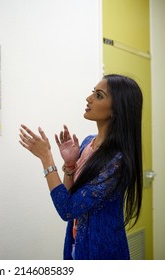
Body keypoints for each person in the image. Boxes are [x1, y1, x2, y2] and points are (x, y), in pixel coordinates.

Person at [19, 74, 143, 260]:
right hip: (76, 246)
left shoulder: (117, 162)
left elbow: (66, 209)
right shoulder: (87, 142)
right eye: (93, 92)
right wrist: (70, 166)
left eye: (99, 95)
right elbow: (69, 196)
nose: (89, 98)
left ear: (116, 110)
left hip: (102, 253)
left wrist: (46, 157)